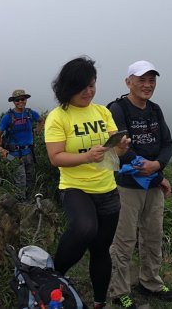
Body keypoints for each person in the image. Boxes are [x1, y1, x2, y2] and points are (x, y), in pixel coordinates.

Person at [44, 57, 130, 309]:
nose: (88, 91)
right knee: (85, 229)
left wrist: (121, 146)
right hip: (75, 187)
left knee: (101, 249)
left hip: (107, 188)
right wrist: (86, 156)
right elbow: (55, 157)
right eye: (82, 86)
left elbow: (116, 153)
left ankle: (100, 301)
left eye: (92, 85)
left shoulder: (103, 112)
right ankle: (55, 272)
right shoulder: (58, 117)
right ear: (67, 87)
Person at [108, 60, 172, 308]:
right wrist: (156, 175)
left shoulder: (155, 110)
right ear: (128, 82)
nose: (147, 85)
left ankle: (150, 282)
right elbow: (121, 150)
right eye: (141, 80)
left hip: (152, 186)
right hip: (127, 185)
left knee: (153, 235)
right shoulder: (117, 109)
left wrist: (157, 167)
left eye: (152, 80)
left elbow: (167, 144)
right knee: (124, 239)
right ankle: (119, 291)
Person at [0, 89, 43, 201]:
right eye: (17, 100)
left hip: (29, 152)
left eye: (23, 99)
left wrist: (37, 131)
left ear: (26, 100)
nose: (20, 101)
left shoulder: (30, 113)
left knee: (30, 179)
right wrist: (0, 148)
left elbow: (41, 120)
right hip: (12, 154)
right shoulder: (8, 117)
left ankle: (30, 203)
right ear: (13, 102)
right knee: (20, 181)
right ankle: (21, 205)